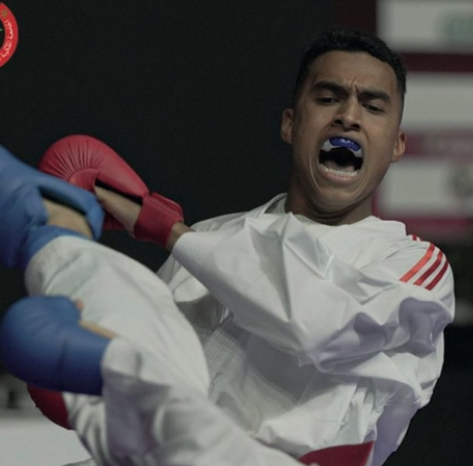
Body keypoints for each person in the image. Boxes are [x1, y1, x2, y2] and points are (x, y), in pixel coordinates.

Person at [0, 28, 455, 466]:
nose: (349, 116)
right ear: (290, 123)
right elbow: (149, 376)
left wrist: (164, 229)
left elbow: (323, 327)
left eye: (372, 107)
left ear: (397, 144)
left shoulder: (413, 266)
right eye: (328, 98)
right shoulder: (210, 236)